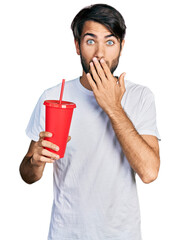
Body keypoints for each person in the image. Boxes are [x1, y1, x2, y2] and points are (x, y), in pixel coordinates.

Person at [19, 3, 160, 240]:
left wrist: (113, 107)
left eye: (110, 42)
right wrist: (35, 161)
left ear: (122, 47)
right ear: (77, 46)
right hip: (66, 233)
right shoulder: (53, 97)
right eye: (90, 41)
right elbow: (27, 174)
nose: (100, 54)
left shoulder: (140, 97)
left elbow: (149, 172)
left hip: (121, 235)